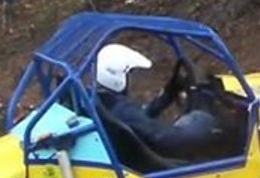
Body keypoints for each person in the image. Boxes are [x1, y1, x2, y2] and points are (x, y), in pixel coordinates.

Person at [94, 43, 232, 161]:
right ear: (116, 77)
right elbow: (166, 139)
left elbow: (141, 121)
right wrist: (201, 125)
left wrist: (166, 96)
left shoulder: (104, 101)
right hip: (156, 166)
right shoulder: (123, 110)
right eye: (130, 74)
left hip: (137, 155)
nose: (133, 79)